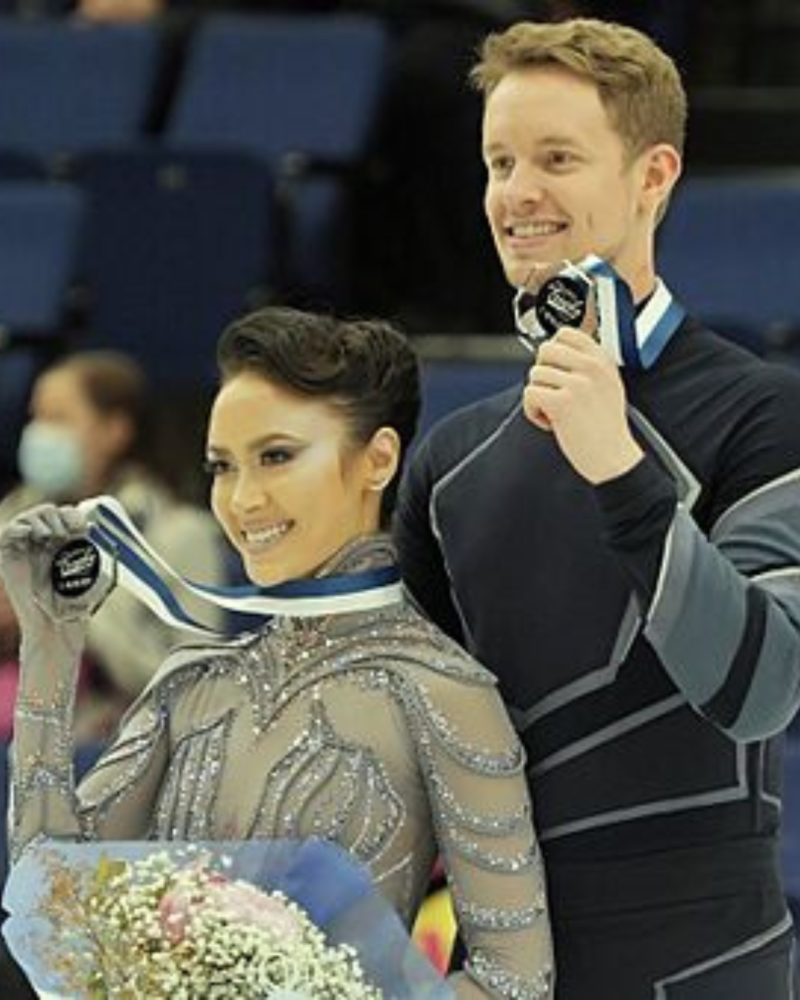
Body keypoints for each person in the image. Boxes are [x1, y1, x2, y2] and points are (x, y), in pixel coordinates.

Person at [394, 18, 800, 1000]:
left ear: (651, 175)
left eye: (555, 158)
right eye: (498, 162)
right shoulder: (451, 456)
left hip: (703, 966)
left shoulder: (761, 411)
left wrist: (616, 464)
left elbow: (760, 687)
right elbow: (411, 738)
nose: (516, 193)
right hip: (501, 969)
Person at [0, 307, 554, 998]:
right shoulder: (192, 679)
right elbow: (48, 901)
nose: (242, 499)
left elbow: (515, 981)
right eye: (222, 467)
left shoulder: (444, 692)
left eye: (277, 456)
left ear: (378, 459)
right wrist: (51, 644)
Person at [0, 350, 225, 738]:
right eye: (35, 418)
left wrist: (64, 604)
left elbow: (194, 691)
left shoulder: (181, 534)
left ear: (114, 430)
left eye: (57, 419)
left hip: (115, 757)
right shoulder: (15, 516)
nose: (38, 434)